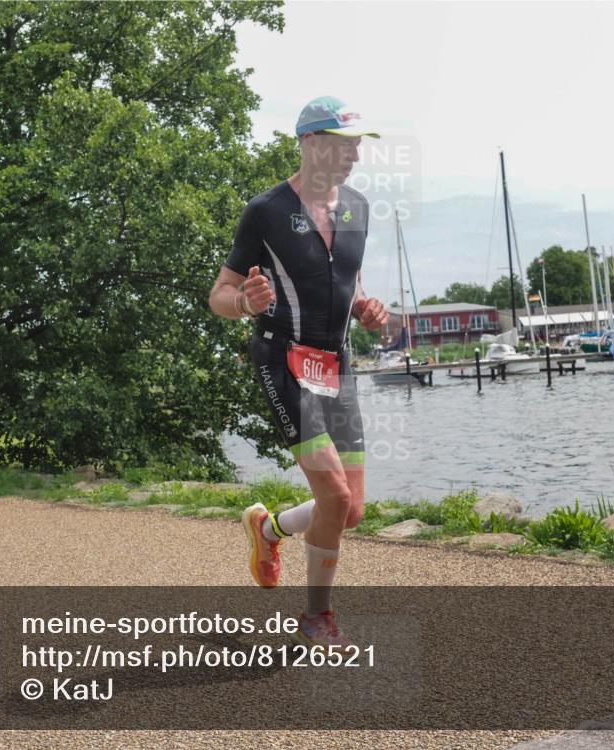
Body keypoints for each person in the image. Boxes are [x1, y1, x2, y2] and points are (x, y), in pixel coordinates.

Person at [208, 96, 389, 648]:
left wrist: (364, 307)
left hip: (338, 367)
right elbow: (219, 294)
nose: (354, 155)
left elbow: (345, 280)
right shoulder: (265, 210)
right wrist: (246, 302)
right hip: (284, 361)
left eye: (358, 145)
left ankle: (268, 529)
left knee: (350, 510)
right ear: (311, 144)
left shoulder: (357, 207)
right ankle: (316, 618)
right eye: (343, 144)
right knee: (333, 494)